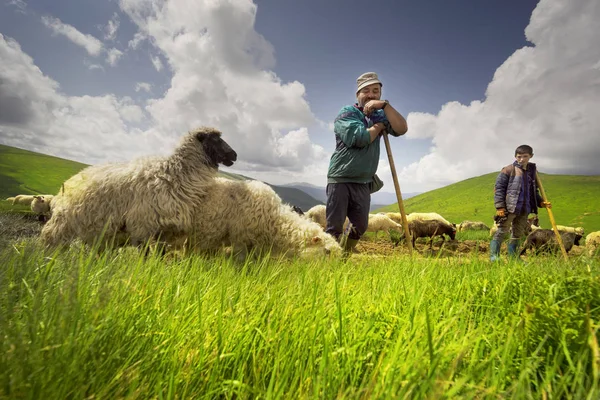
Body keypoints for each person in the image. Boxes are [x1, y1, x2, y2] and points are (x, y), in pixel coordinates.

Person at [326, 72, 408, 254]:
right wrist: (379, 126)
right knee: (334, 227)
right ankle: (325, 263)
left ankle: (343, 256)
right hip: (341, 178)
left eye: (376, 91)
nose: (371, 95)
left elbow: (401, 128)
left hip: (363, 181)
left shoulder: (380, 114)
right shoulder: (347, 113)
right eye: (366, 91)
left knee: (360, 226)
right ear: (358, 94)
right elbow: (359, 138)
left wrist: (385, 106)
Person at [490, 144, 551, 262]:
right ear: (515, 156)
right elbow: (499, 189)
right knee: (502, 230)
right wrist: (500, 207)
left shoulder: (532, 173)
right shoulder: (508, 170)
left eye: (525, 156)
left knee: (518, 233)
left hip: (525, 208)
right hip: (509, 207)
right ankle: (494, 257)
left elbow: (533, 191)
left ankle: (514, 258)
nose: (521, 159)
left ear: (531, 156)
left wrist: (541, 203)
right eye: (519, 157)